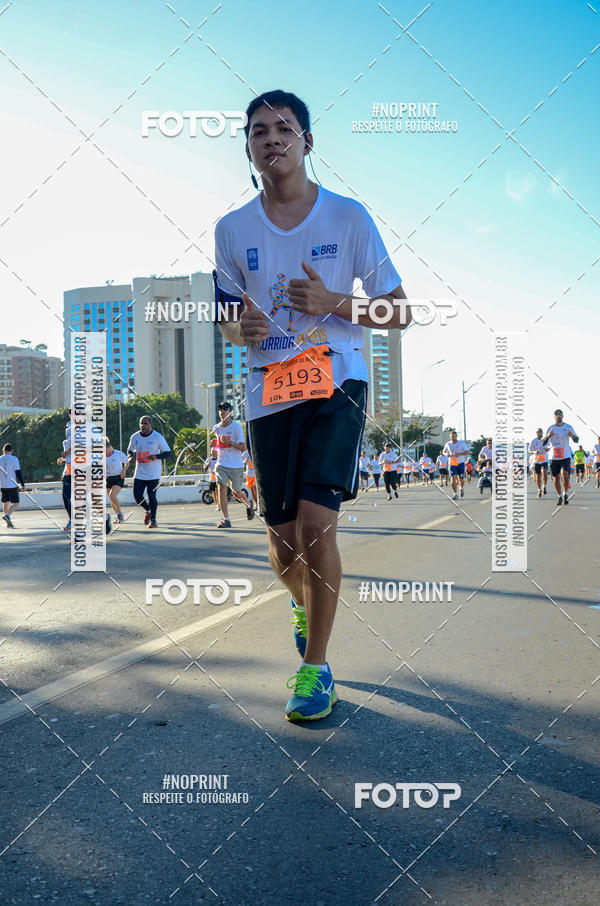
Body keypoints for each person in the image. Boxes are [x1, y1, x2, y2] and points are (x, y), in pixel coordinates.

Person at [214, 89, 410, 721]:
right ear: (247, 146)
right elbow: (225, 316)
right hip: (268, 390)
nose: (271, 138)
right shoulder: (231, 228)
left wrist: (336, 304)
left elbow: (400, 312)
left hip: (336, 381)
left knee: (316, 524)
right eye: (258, 131)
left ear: (307, 142)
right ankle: (303, 602)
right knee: (281, 543)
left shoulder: (348, 219)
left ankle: (315, 668)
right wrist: (234, 330)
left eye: (284, 128)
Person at [212, 401, 254, 528]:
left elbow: (243, 447)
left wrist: (229, 443)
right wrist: (213, 450)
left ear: (230, 412)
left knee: (236, 493)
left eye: (225, 409)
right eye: (220, 409)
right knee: (221, 487)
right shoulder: (216, 428)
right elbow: (217, 446)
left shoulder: (235, 427)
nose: (222, 411)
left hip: (236, 466)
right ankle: (226, 519)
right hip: (221, 464)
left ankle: (248, 504)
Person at [127, 415, 171, 528]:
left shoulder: (157, 437)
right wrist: (130, 457)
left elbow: (167, 452)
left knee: (151, 496)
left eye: (146, 423)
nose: (143, 426)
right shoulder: (135, 437)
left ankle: (153, 520)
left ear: (151, 425)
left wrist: (156, 456)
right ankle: (148, 510)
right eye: (141, 423)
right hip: (140, 472)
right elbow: (130, 450)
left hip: (153, 473)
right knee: (137, 495)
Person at [542, 409, 579, 505]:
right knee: (556, 478)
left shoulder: (568, 427)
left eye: (560, 414)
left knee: (565, 474)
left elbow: (576, 440)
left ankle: (565, 493)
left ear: (563, 416)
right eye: (556, 415)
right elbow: (543, 442)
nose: (558, 416)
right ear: (554, 417)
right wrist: (548, 436)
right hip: (554, 457)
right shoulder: (550, 428)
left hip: (565, 455)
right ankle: (559, 496)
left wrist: (572, 436)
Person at [0, 443, 27, 528]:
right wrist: (23, 484)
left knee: (6, 502)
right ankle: (7, 516)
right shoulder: (14, 459)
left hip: (3, 484)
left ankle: (8, 521)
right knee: (16, 502)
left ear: (3, 450)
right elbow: (18, 472)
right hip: (11, 484)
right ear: (12, 451)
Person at [105, 438, 128, 523]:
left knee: (112, 496)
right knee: (111, 499)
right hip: (108, 478)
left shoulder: (118, 454)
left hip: (118, 477)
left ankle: (120, 514)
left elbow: (127, 462)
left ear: (109, 447)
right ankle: (118, 516)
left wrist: (123, 470)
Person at [443, 431, 470, 499]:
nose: (453, 437)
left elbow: (468, 451)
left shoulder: (461, 443)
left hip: (460, 463)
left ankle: (461, 487)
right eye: (452, 436)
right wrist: (446, 454)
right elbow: (444, 451)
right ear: (450, 437)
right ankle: (455, 494)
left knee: (461, 479)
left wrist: (459, 454)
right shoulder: (448, 444)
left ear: (457, 436)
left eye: (454, 436)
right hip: (452, 463)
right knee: (453, 477)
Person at [529, 428, 549, 498]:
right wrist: (534, 452)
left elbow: (549, 447)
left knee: (544, 472)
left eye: (539, 432)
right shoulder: (533, 441)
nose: (538, 433)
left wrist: (547, 449)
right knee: (538, 476)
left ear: (542, 433)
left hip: (544, 460)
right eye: (537, 432)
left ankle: (544, 486)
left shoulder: (546, 440)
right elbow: (529, 450)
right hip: (537, 460)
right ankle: (539, 489)